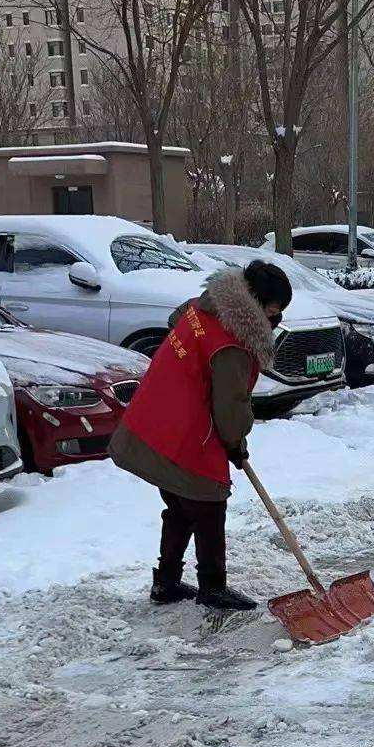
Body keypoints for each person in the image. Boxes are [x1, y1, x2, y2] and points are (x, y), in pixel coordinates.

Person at [110, 257, 292, 611]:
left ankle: (166, 582)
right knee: (208, 505)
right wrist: (236, 444)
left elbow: (179, 328)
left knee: (179, 503)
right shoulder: (233, 345)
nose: (277, 317)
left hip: (155, 418)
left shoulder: (204, 309)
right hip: (184, 430)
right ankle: (212, 587)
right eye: (274, 308)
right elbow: (231, 406)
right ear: (257, 304)